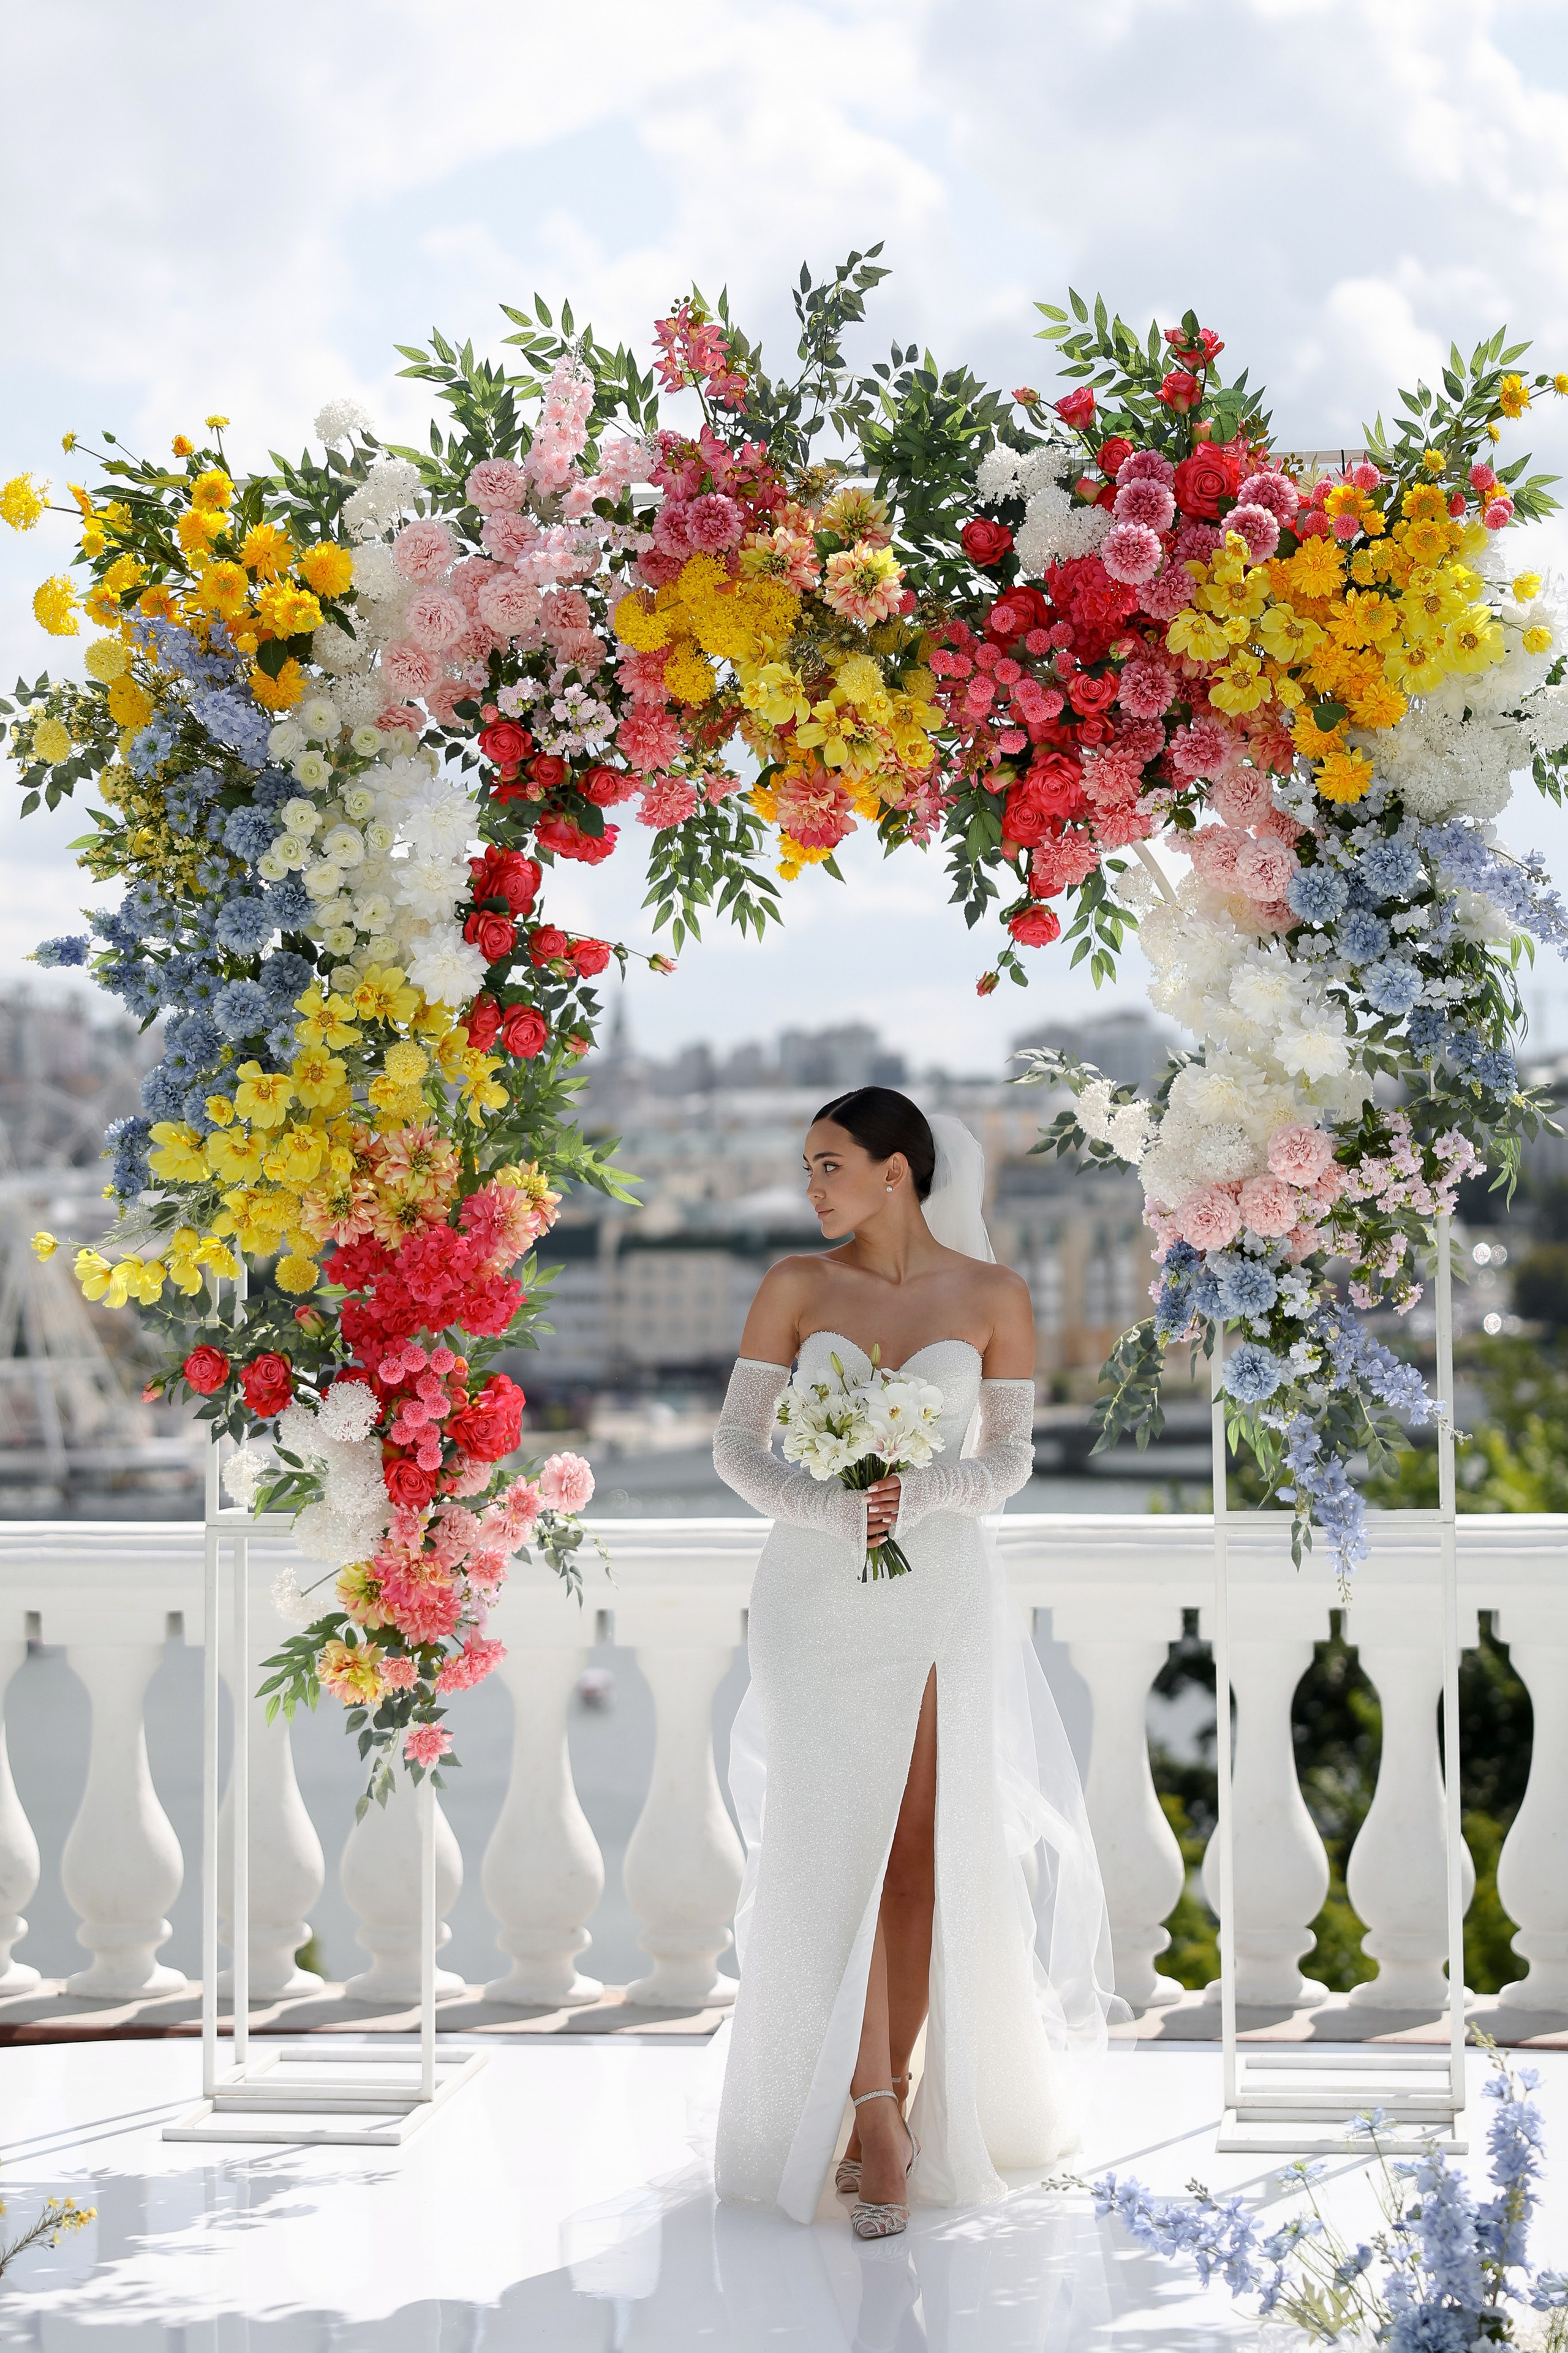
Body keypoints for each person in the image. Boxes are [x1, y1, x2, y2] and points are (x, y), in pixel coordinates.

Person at [711, 1087, 1114, 2240]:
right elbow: (737, 1444)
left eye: (829, 1164)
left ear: (898, 1171)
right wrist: (830, 1509)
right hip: (812, 1591)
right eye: (807, 1166)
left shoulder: (994, 1295)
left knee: (918, 1850)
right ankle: (874, 2115)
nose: (812, 1186)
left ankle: (898, 2086)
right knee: (827, 1846)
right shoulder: (795, 1284)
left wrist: (925, 1490)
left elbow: (1013, 1456)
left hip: (937, 1588)